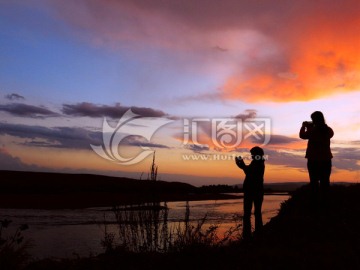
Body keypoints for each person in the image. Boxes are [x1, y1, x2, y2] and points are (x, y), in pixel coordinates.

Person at [299, 111, 334, 204]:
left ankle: (315, 203)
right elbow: (329, 134)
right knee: (325, 182)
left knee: (314, 182)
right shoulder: (328, 130)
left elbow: (302, 135)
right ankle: (325, 203)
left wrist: (304, 126)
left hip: (313, 160)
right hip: (326, 159)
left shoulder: (313, 130)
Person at [235, 146, 265, 239]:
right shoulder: (257, 162)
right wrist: (242, 166)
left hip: (253, 191)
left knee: (249, 213)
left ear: (257, 154)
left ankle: (249, 236)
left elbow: (251, 173)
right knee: (255, 213)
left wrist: (242, 166)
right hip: (255, 190)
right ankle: (255, 234)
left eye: (253, 154)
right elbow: (249, 172)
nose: (251, 156)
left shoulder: (259, 162)